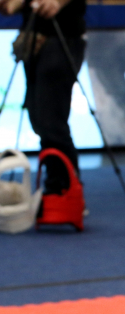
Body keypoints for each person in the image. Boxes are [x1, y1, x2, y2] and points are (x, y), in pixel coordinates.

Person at [0, 0, 86, 196]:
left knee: (51, 121)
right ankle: (55, 185)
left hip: (62, 36)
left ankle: (65, 190)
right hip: (34, 37)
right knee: (38, 118)